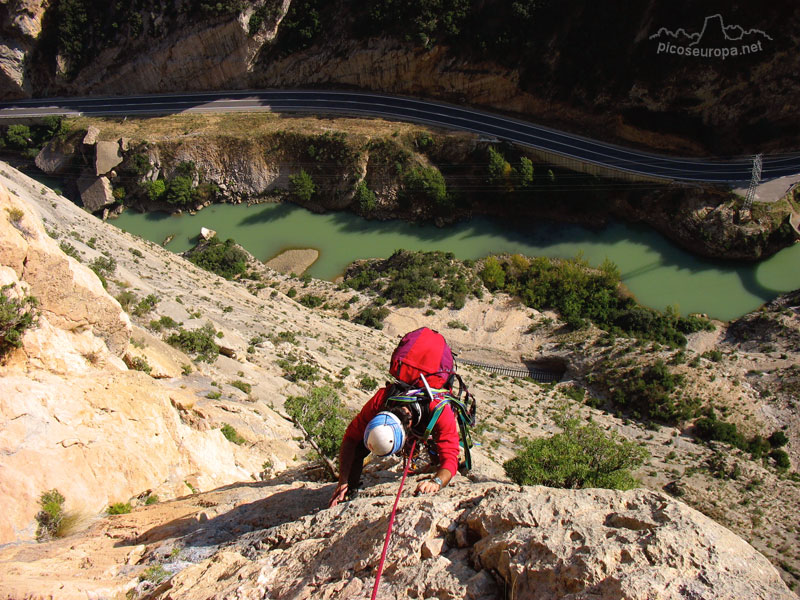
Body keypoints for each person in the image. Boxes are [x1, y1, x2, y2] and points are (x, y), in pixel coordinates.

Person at [328, 327, 462, 507]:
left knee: (439, 456)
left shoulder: (439, 410)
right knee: (359, 448)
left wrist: (437, 482)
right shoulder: (383, 399)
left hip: (429, 421)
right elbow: (352, 438)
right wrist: (343, 481)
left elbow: (450, 457)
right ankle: (351, 490)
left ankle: (435, 462)